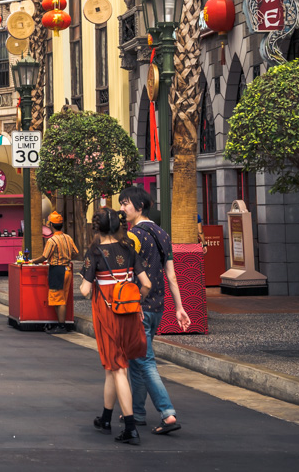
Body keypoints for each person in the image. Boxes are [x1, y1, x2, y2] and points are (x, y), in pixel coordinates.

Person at [120, 187, 191, 436]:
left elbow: (129, 273)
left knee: (145, 361)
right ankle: (137, 412)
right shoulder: (163, 234)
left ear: (139, 206)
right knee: (137, 359)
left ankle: (167, 413)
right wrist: (179, 308)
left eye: (126, 203)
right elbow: (171, 275)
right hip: (158, 307)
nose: (122, 208)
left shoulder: (134, 236)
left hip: (138, 306)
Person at [79, 207, 152, 446]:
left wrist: (85, 280)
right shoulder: (128, 249)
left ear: (96, 227)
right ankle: (106, 419)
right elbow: (147, 284)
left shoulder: (95, 252)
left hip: (107, 314)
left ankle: (130, 427)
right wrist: (135, 301)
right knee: (113, 366)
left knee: (118, 367)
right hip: (130, 313)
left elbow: (85, 291)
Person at [31, 211, 77, 333]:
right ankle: (60, 324)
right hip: (67, 270)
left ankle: (61, 326)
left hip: (57, 271)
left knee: (59, 300)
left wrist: (33, 261)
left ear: (51, 225)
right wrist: (66, 256)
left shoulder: (52, 240)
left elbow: (44, 257)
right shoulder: (68, 238)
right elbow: (75, 252)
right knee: (62, 298)